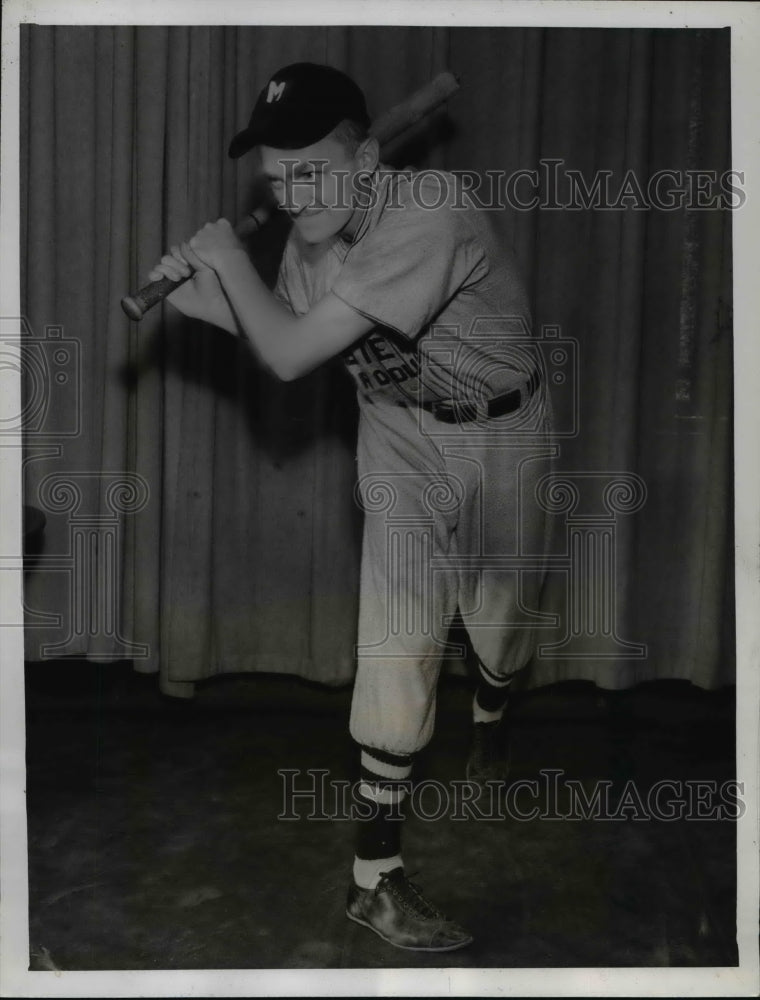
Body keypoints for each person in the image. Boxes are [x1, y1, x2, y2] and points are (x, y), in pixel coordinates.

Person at [148, 62, 553, 953]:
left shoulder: (431, 211)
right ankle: (375, 880)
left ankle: (492, 709)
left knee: (500, 623)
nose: (292, 196)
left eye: (313, 170)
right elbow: (295, 339)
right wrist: (210, 299)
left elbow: (290, 350)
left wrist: (224, 262)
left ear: (368, 159)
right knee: (397, 638)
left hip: (501, 434)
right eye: (276, 178)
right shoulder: (306, 244)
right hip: (398, 438)